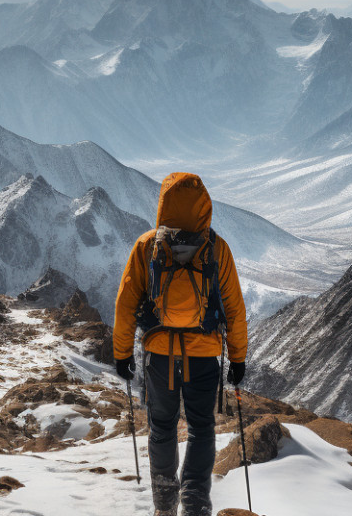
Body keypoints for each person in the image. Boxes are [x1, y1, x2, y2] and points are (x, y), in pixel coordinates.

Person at [113, 171, 248, 516]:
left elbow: (126, 304)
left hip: (159, 357)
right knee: (202, 429)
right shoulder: (217, 248)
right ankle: (196, 504)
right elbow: (233, 307)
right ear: (203, 206)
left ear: (164, 203)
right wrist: (238, 358)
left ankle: (164, 505)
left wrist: (122, 353)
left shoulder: (147, 246)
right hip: (204, 356)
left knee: (162, 427)